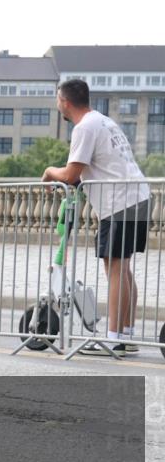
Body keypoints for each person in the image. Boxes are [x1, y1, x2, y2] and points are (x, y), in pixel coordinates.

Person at [42, 78, 150, 356]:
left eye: (57, 99)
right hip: (136, 196)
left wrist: (49, 171)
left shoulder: (84, 127)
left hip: (119, 201)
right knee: (123, 268)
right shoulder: (103, 121)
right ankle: (126, 333)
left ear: (64, 102)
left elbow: (70, 174)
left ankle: (113, 338)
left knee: (114, 268)